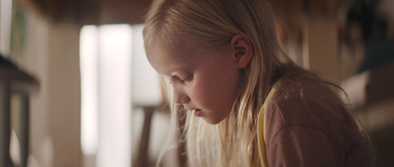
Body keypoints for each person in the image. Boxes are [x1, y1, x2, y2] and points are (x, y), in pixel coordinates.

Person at [143, 0, 373, 166]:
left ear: (239, 52)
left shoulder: (291, 113)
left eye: (184, 78)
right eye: (169, 81)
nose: (177, 97)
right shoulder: (258, 114)